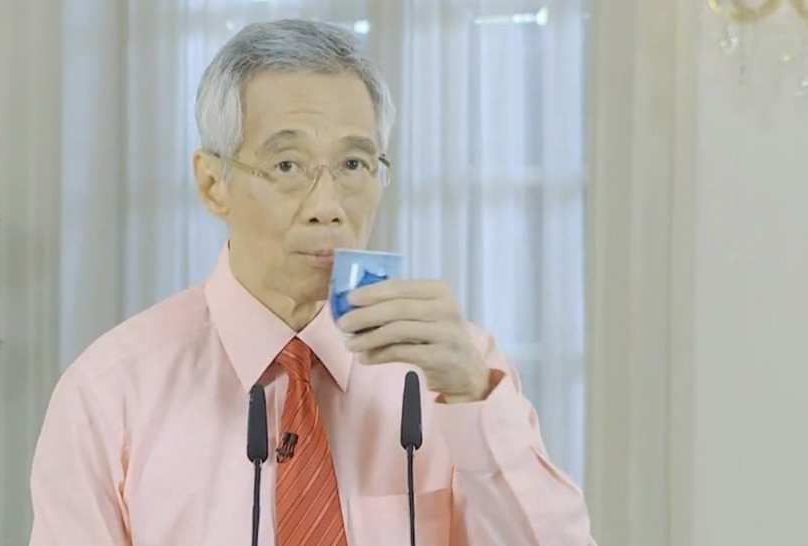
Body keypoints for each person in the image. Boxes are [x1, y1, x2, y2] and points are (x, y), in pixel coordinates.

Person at [29, 19, 595, 546]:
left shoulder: (455, 368)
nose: (327, 208)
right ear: (212, 183)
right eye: (287, 165)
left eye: (353, 165)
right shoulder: (110, 394)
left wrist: (473, 400)